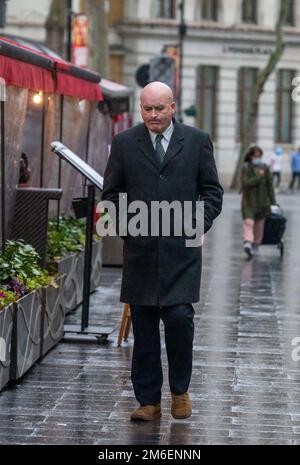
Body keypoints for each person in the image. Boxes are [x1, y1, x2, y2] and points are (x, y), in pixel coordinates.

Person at [102, 81, 223, 421]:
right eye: (147, 109)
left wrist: (197, 224)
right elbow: (111, 195)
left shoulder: (197, 141)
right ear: (140, 109)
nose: (153, 115)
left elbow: (212, 191)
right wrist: (128, 229)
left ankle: (180, 391)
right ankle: (148, 401)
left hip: (181, 255)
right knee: (143, 329)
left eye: (159, 108)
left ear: (173, 107)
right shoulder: (125, 143)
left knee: (180, 320)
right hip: (140, 254)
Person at [241, 146, 276, 258]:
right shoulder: (246, 168)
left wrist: (273, 202)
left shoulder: (265, 168)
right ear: (251, 157)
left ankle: (256, 245)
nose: (258, 158)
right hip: (249, 202)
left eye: (259, 156)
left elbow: (270, 186)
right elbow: (246, 183)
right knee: (249, 223)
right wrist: (259, 177)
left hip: (262, 203)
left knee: (259, 227)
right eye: (256, 156)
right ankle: (247, 242)